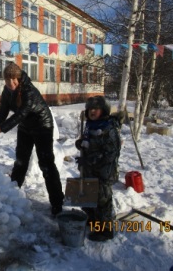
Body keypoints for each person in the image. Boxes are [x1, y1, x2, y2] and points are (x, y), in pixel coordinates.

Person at [0, 62, 64, 216]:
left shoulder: (29, 91)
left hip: (42, 126)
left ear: (19, 78)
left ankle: (57, 202)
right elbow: (3, 110)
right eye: (8, 82)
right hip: (25, 127)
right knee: (20, 161)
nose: (11, 85)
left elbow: (21, 113)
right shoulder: (7, 91)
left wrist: (0, 130)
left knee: (46, 164)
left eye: (14, 81)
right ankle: (13, 194)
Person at [75, 96, 121, 242]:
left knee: (102, 200)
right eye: (90, 109)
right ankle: (93, 220)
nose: (92, 112)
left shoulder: (109, 128)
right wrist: (81, 143)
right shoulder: (90, 125)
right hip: (90, 168)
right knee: (89, 195)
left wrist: (93, 158)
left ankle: (105, 230)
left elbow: (112, 152)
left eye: (96, 109)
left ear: (104, 111)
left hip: (104, 171)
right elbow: (89, 143)